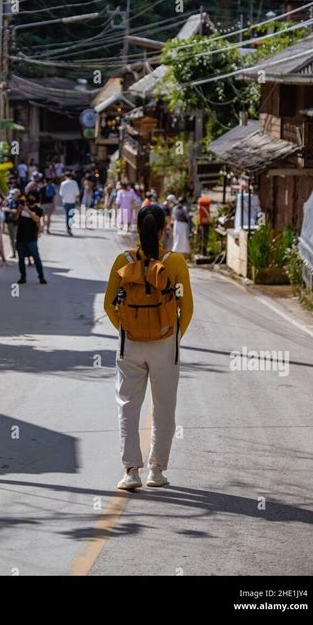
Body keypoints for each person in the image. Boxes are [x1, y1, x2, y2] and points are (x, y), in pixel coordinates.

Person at [104, 204, 193, 491]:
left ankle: (131, 471)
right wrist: (171, 336)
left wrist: (127, 328)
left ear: (138, 228)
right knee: (163, 407)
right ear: (163, 228)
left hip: (130, 343)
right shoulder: (175, 262)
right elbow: (186, 307)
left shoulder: (123, 259)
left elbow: (109, 304)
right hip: (165, 342)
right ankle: (156, 470)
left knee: (128, 406)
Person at [15, 190, 47, 284]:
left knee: (36, 258)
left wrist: (27, 210)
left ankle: (41, 276)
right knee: (21, 259)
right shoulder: (22, 207)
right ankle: (23, 277)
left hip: (31, 238)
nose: (31, 199)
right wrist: (19, 210)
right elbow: (16, 218)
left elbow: (36, 219)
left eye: (33, 197)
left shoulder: (38, 210)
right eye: (30, 197)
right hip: (20, 237)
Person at [59, 171, 80, 235]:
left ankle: (68, 228)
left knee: (67, 215)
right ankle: (69, 228)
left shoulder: (63, 183)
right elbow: (77, 193)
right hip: (72, 201)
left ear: (65, 176)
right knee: (71, 215)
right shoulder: (74, 183)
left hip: (65, 201)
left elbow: (61, 193)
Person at [3, 188, 21, 258]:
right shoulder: (9, 201)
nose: (12, 195)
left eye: (13, 194)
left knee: (17, 238)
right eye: (11, 194)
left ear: (17, 194)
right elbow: (3, 208)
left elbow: (16, 211)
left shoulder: (20, 202)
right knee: (12, 238)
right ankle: (13, 253)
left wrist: (9, 210)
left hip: (17, 223)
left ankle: (20, 252)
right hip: (10, 222)